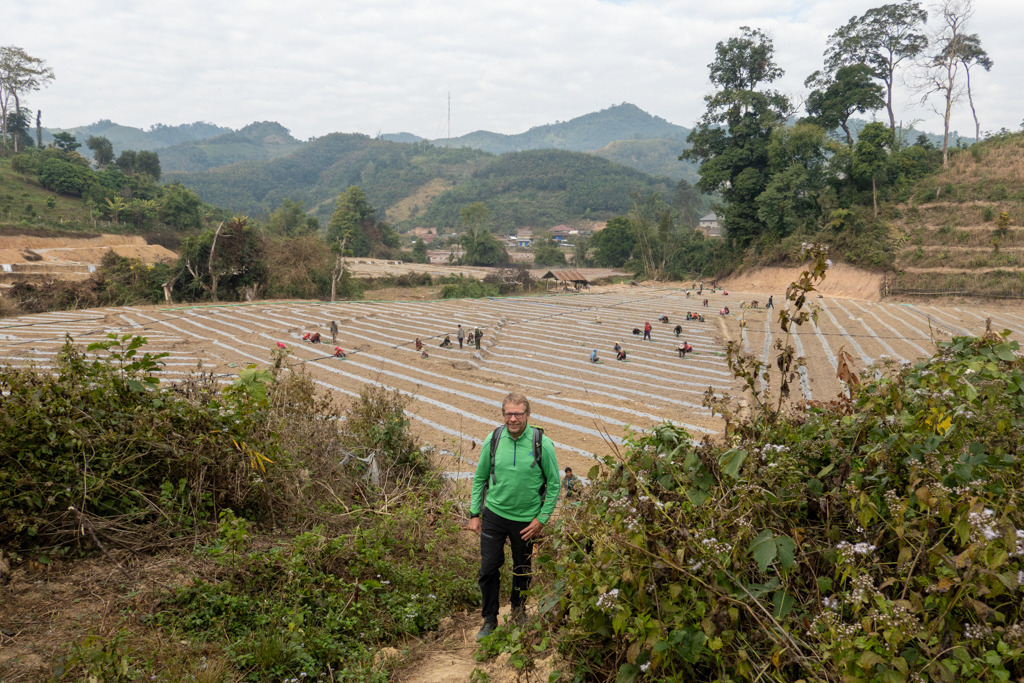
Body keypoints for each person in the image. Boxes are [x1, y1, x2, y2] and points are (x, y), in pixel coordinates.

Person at [467, 393, 559, 640]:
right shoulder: (494, 439)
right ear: (503, 415)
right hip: (495, 514)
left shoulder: (542, 443)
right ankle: (489, 620)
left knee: (522, 569)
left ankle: (518, 613)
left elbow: (554, 483)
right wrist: (475, 514)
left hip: (526, 520)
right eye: (508, 413)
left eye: (518, 413)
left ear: (527, 415)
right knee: (488, 568)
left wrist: (541, 519)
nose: (513, 418)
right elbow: (479, 478)